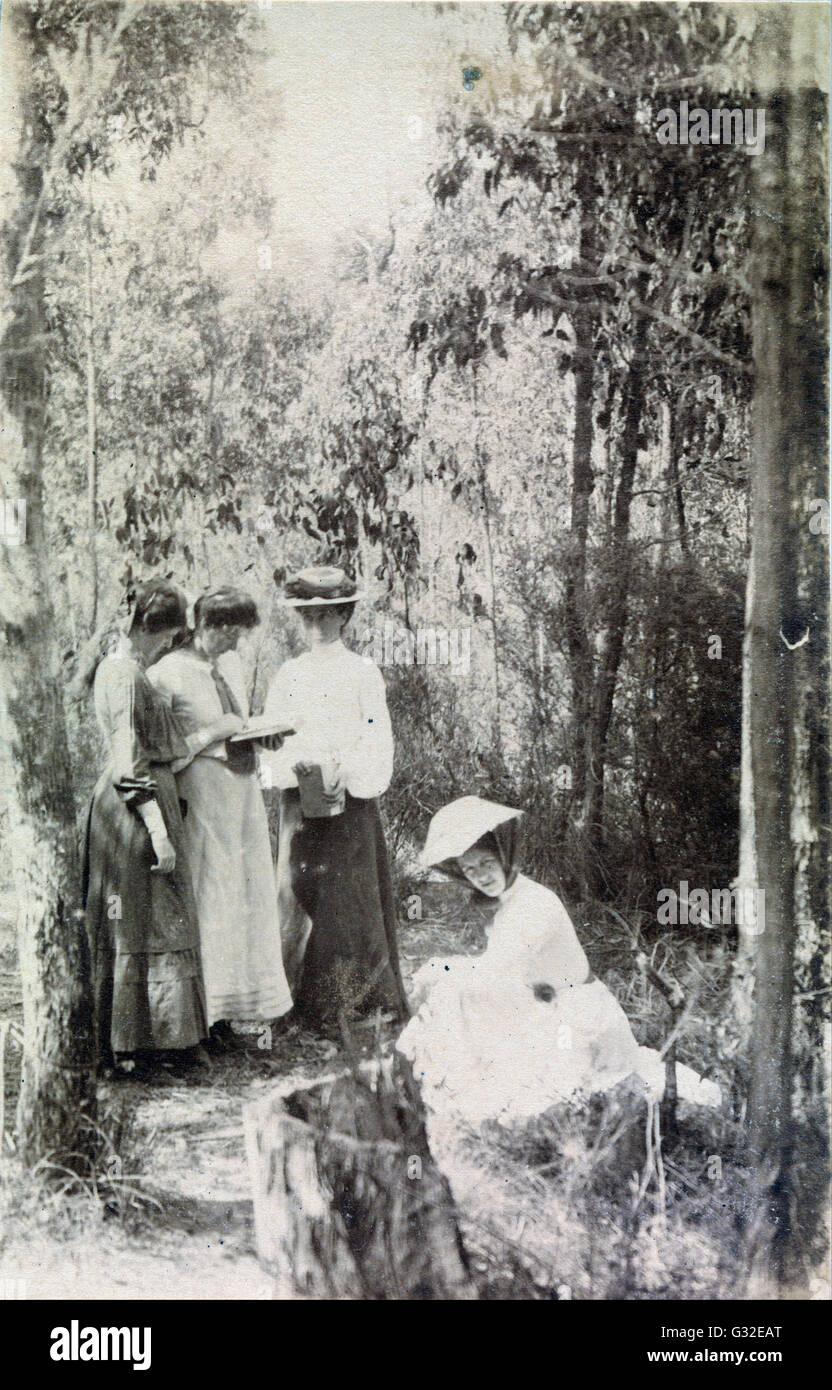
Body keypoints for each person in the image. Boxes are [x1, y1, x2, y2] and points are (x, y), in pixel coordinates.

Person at [397, 796, 721, 1128]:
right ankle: (417, 1078)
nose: (481, 876)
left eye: (486, 863)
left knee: (460, 1004)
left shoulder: (531, 904)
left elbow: (497, 970)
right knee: (457, 1002)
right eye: (470, 869)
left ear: (503, 856)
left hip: (580, 1019)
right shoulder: (510, 901)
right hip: (548, 1009)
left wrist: (440, 968)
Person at [81, 580, 239, 1080]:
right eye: (171, 633)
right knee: (144, 924)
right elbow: (129, 763)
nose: (171, 642)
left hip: (142, 806)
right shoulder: (126, 674)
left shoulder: (121, 667)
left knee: (155, 922)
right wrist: (158, 829)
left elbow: (152, 750)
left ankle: (155, 1044)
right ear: (160, 630)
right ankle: (139, 1051)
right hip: (134, 817)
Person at [260, 566, 409, 1030]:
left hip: (349, 801)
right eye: (308, 617)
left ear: (344, 617)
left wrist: (347, 771)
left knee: (348, 899)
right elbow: (275, 734)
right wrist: (291, 766)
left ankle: (349, 1003)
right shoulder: (289, 673)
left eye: (327, 616)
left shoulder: (362, 671)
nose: (316, 626)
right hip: (300, 800)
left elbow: (376, 733)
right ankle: (292, 1001)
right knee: (297, 893)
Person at [148, 587, 293, 1048]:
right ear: (210, 626)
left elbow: (238, 726)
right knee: (210, 892)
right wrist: (218, 731)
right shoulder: (165, 674)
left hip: (241, 796)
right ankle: (201, 1015)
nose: (236, 645)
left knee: (241, 894)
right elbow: (163, 753)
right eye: (231, 635)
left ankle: (235, 1010)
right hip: (203, 796)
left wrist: (257, 736)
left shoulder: (227, 666)